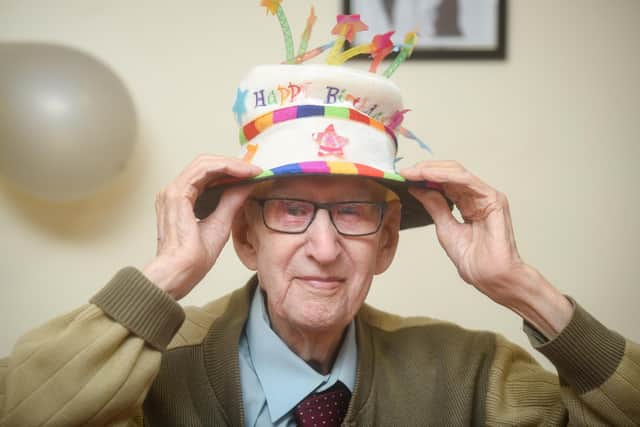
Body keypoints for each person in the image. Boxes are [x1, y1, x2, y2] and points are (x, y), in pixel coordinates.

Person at [1, 15, 639, 427]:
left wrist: (523, 288)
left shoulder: (467, 372)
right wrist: (164, 277)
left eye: (355, 212)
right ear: (245, 236)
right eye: (292, 209)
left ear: (387, 241)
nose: (325, 247)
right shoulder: (151, 372)